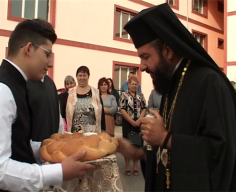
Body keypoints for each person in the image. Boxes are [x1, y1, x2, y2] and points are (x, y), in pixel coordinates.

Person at [117, 3, 236, 191]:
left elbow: (222, 154)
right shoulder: (171, 84)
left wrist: (166, 138)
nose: (141, 67)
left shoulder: (209, 82)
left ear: (167, 50)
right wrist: (139, 153)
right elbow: (168, 156)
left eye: (146, 56)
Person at [0, 19, 94, 191]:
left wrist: (55, 148)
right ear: (28, 49)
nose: (50, 63)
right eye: (47, 54)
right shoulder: (2, 89)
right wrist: (58, 172)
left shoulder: (17, 84)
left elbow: (18, 144)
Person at [119, 75, 147, 176]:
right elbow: (122, 109)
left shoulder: (141, 95)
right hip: (127, 123)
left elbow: (144, 108)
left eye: (136, 84)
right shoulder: (124, 95)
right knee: (127, 144)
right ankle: (127, 166)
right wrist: (131, 121)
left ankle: (135, 166)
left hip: (139, 123)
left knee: (137, 144)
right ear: (128, 84)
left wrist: (140, 120)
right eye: (132, 84)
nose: (134, 86)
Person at [66, 66, 106, 133]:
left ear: (88, 76)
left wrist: (103, 130)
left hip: (92, 133)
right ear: (76, 77)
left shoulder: (96, 92)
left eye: (84, 75)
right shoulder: (70, 93)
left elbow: (102, 114)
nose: (82, 78)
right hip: (75, 134)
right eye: (80, 75)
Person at [27, 74, 64, 142]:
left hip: (51, 147)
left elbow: (58, 120)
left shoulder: (50, 83)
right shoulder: (23, 83)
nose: (50, 64)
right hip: (29, 149)